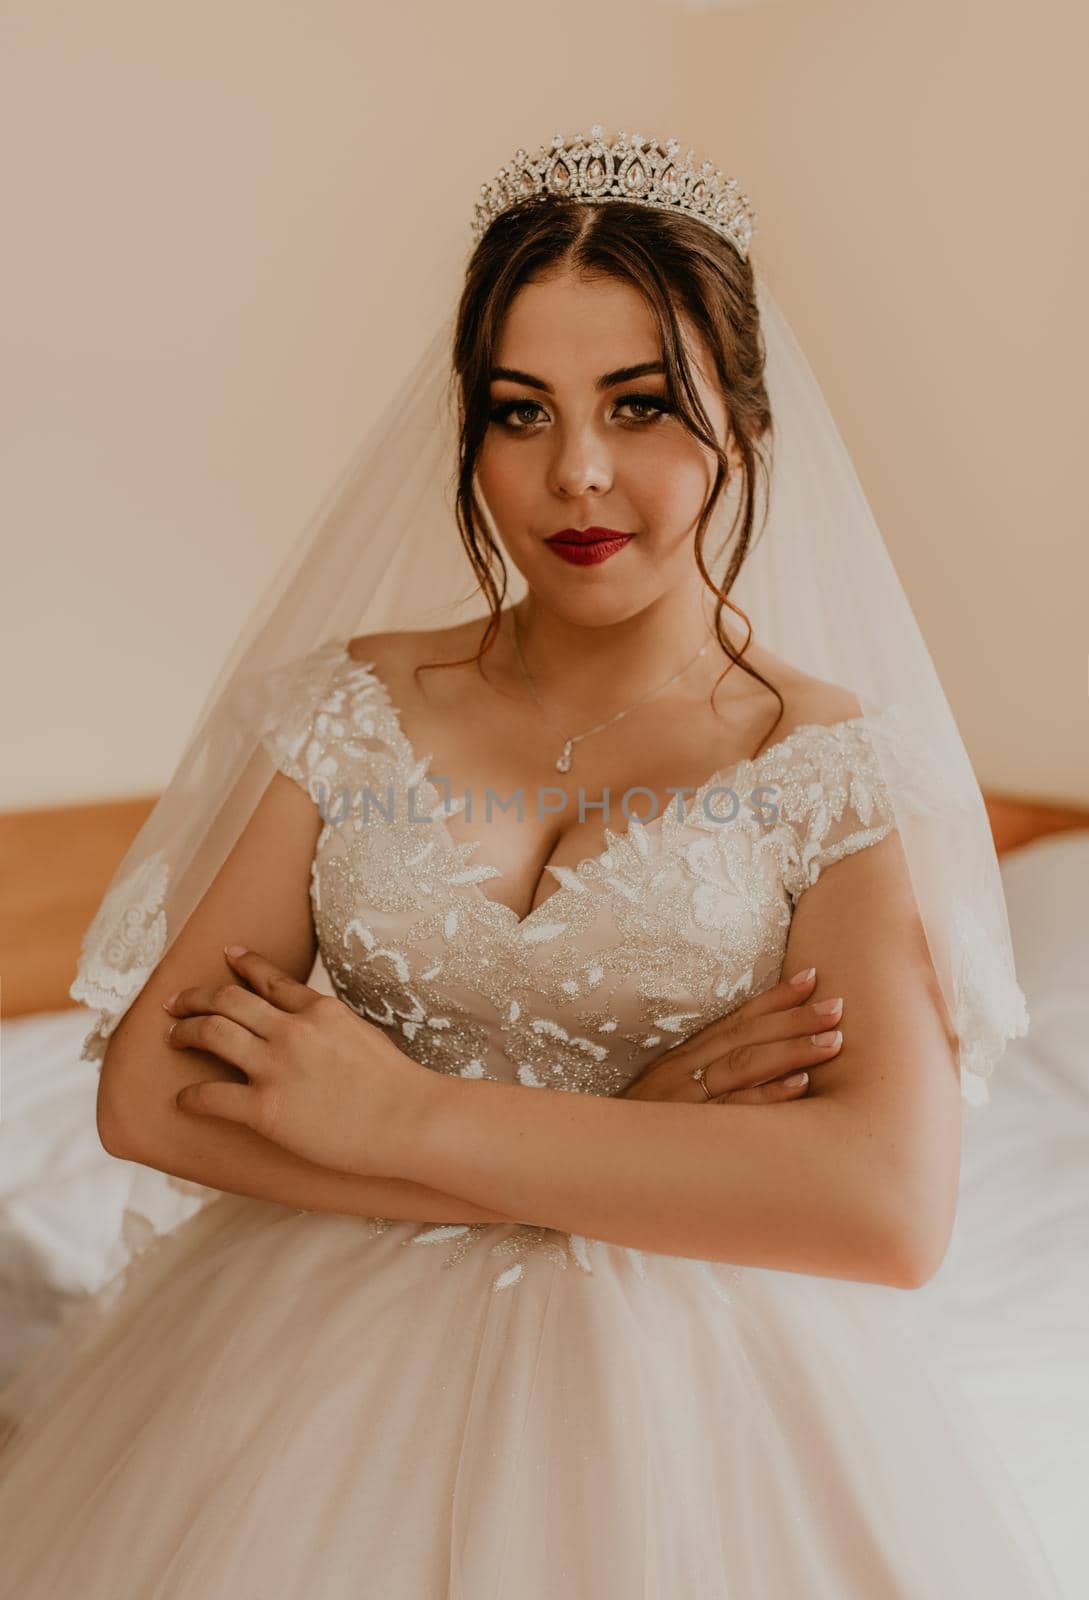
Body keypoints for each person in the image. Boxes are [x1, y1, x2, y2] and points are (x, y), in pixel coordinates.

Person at [0, 124, 1061, 1595]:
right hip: (289, 1383)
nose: (575, 474)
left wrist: (401, 1113)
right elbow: (149, 1095)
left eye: (639, 407)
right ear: (466, 431)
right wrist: (638, 1136)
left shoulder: (829, 769)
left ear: (741, 422)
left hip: (689, 1412)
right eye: (518, 411)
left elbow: (883, 1213)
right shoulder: (350, 706)